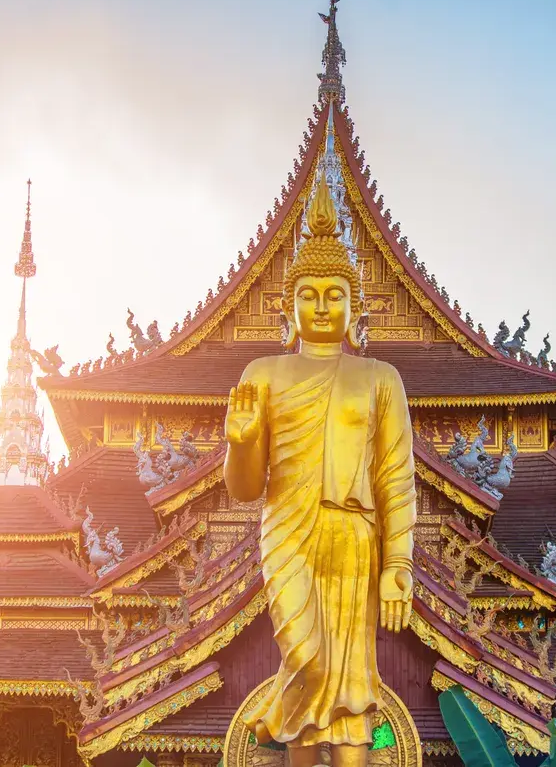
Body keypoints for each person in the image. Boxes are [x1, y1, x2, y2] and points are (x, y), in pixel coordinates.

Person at [224, 176, 417, 767]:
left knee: (351, 680)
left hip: (354, 537)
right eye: (310, 294)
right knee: (305, 661)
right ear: (290, 305)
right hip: (288, 531)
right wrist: (241, 442)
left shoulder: (381, 379)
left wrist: (398, 565)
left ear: (355, 304)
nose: (324, 306)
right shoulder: (264, 373)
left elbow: (396, 477)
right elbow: (244, 489)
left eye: (336, 294)